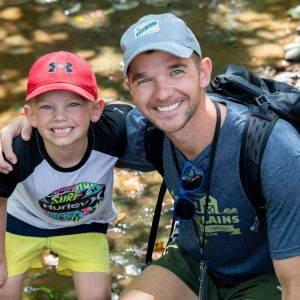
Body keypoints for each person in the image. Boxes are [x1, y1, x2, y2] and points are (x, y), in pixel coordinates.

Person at [1, 13, 300, 300]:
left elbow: (294, 285)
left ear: (204, 72)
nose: (163, 93)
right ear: (130, 88)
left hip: (267, 277)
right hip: (193, 263)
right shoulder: (146, 133)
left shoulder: (274, 150)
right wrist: (21, 126)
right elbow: (77, 123)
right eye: (144, 80)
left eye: (176, 70)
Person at [0, 51, 136, 300]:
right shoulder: (18, 150)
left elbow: (140, 112)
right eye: (47, 107)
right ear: (30, 115)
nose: (60, 116)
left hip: (85, 224)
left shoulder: (111, 131)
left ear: (96, 110)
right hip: (22, 222)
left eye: (73, 104)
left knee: (98, 296)